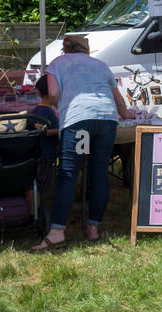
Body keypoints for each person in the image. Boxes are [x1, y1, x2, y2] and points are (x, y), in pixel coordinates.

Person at [34, 35, 136, 249]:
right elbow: (119, 101)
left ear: (65, 49)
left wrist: (55, 104)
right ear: (86, 50)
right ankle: (93, 228)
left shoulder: (57, 64)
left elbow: (52, 93)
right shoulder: (100, 65)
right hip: (107, 120)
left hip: (78, 120)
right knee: (99, 174)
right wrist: (127, 114)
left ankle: (57, 232)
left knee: (69, 173)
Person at [27, 77, 60, 219]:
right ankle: (35, 213)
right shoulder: (50, 113)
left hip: (34, 153)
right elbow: (44, 131)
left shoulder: (35, 110)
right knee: (39, 186)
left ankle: (32, 211)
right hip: (46, 155)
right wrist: (61, 129)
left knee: (32, 184)